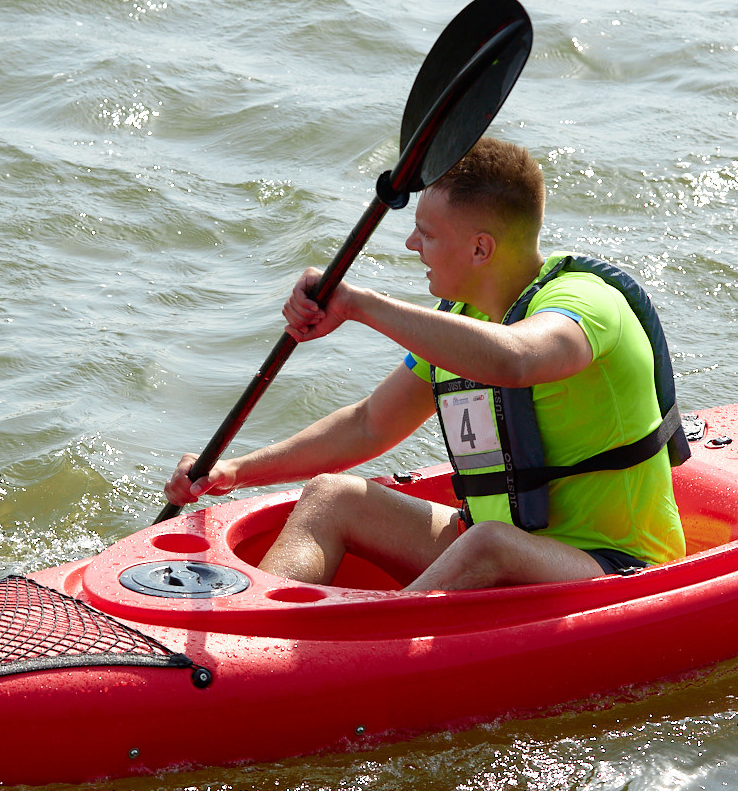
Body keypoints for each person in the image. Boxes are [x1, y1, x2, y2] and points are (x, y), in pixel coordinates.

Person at [163, 136, 686, 591]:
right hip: (498, 543)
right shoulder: (461, 320)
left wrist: (360, 305)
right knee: (333, 495)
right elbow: (369, 424)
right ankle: (258, 638)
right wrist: (233, 472)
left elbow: (517, 359)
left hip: (616, 568)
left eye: (427, 234)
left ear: (481, 249)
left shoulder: (585, 302)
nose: (413, 244)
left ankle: (362, 660)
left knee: (489, 543)